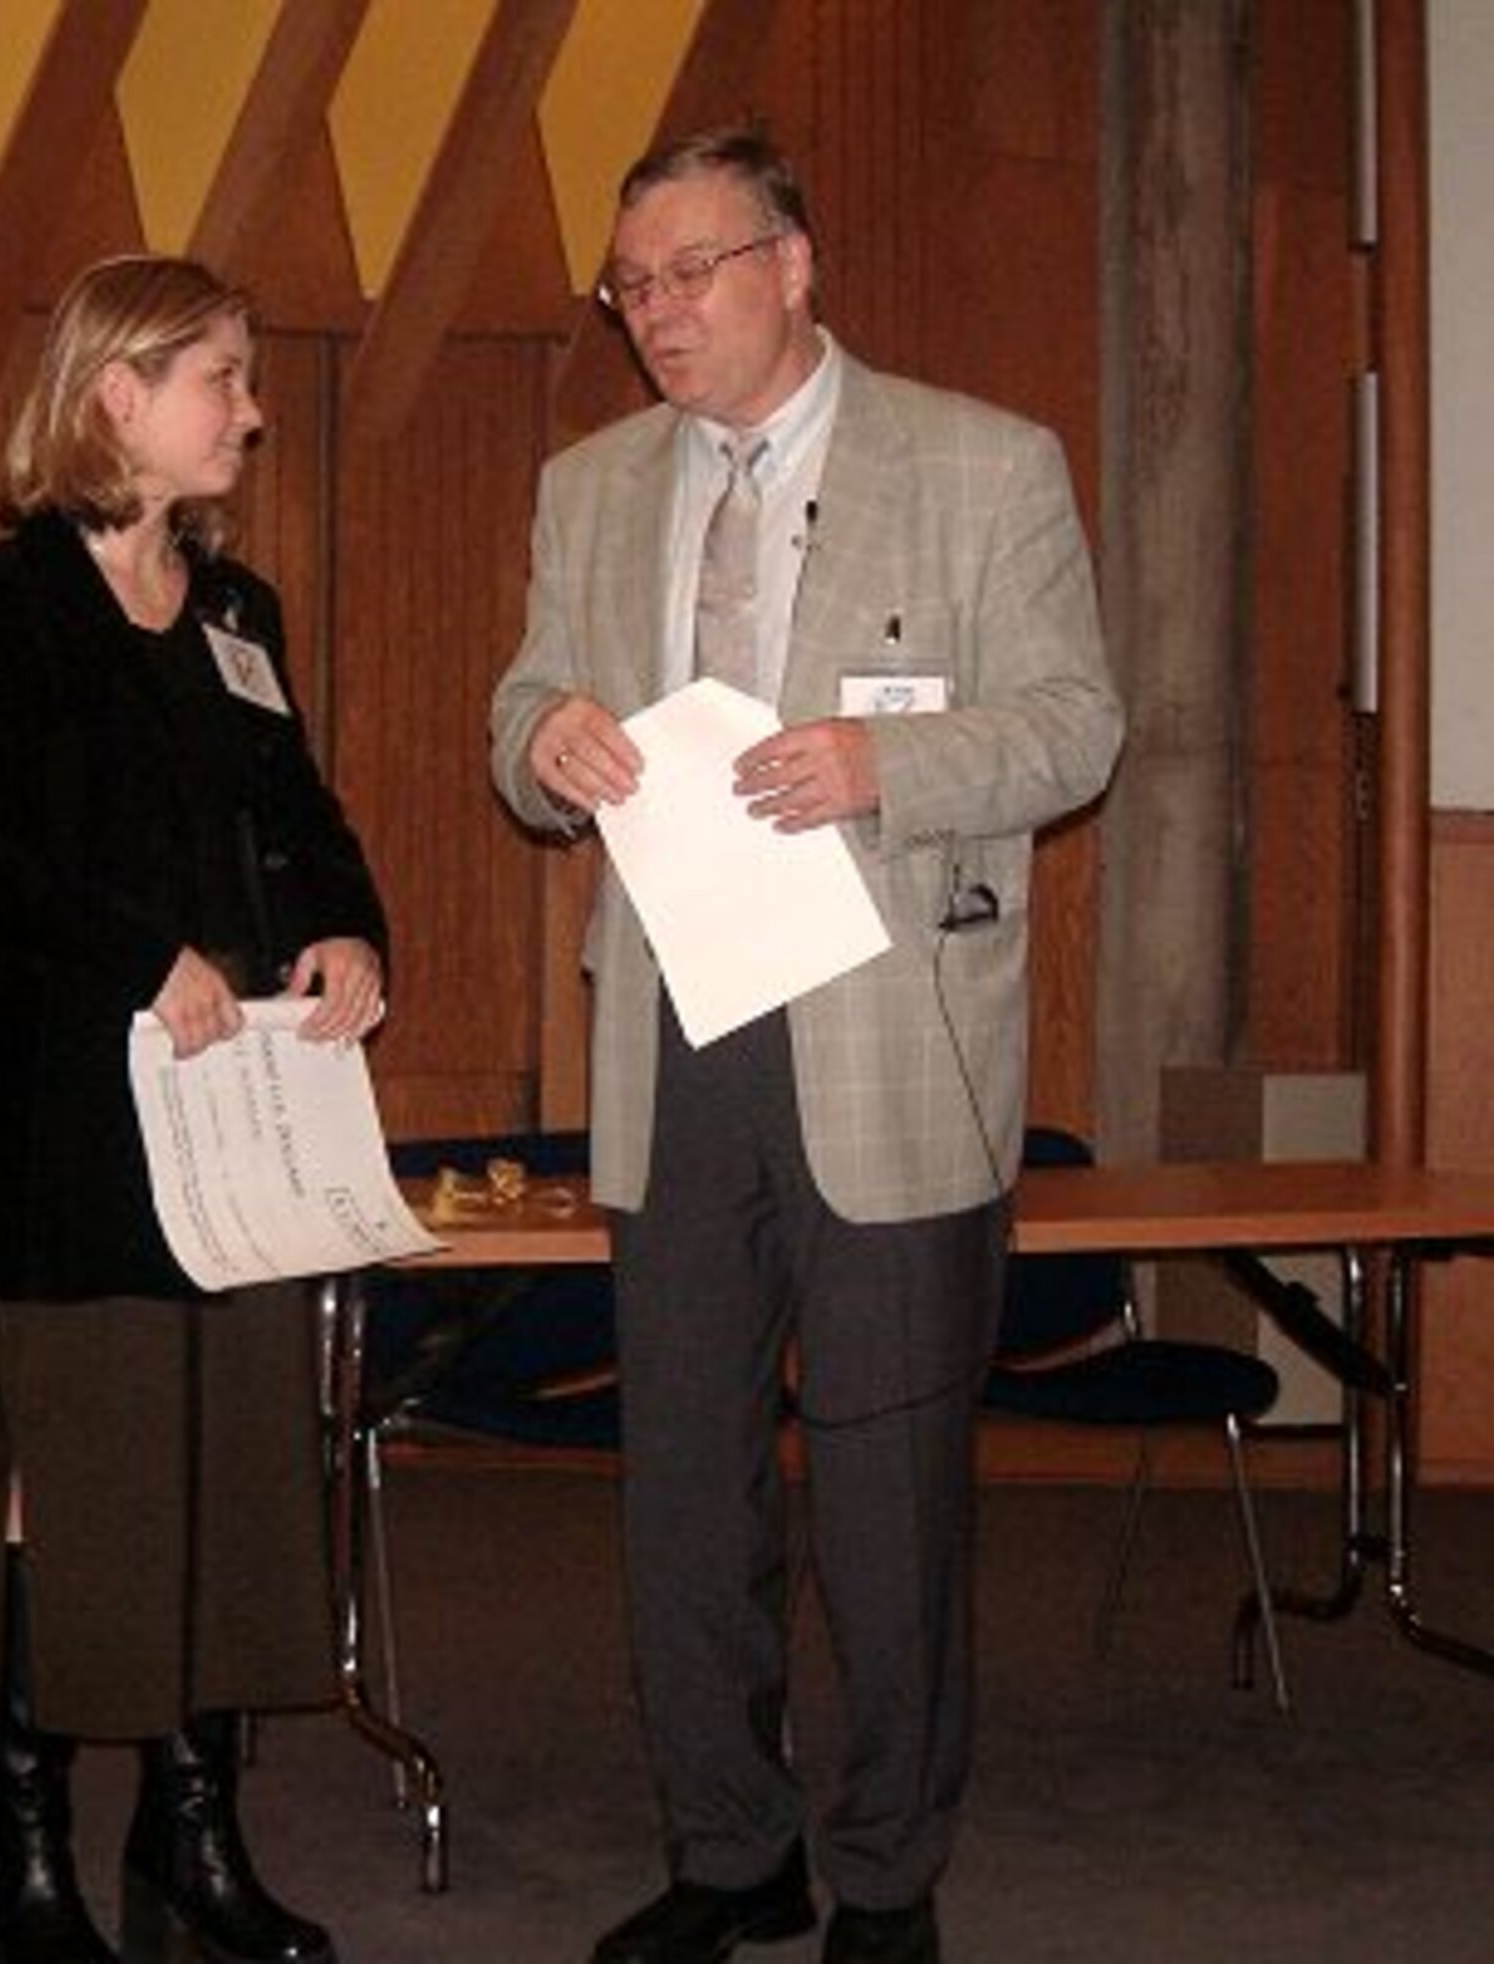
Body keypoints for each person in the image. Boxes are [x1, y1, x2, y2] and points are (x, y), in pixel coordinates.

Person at [491, 130, 1124, 1964]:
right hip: (676, 1029)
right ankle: (728, 1846)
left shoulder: (986, 461)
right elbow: (526, 699)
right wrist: (542, 745)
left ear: (794, 264)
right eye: (631, 288)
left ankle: (888, 1877)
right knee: (681, 1478)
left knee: (888, 1490)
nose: (657, 316)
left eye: (691, 273)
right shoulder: (589, 484)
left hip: (889, 1039)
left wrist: (884, 767)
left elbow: (1076, 728)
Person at [0, 255, 387, 1964]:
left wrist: (346, 925)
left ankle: (196, 1843)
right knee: (73, 1492)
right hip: (67, 1143)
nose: (249, 407)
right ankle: (23, 1862)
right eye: (220, 377)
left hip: (240, 1133)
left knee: (229, 1491)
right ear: (116, 396)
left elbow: (298, 812)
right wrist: (128, 954)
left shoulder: (239, 617)